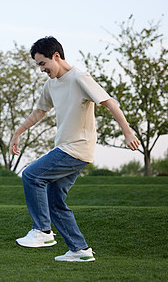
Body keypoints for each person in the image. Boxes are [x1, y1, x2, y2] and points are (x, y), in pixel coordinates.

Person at [9, 36, 140, 262]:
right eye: (38, 65)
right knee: (54, 200)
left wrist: (127, 131)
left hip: (76, 148)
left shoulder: (80, 78)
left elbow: (109, 102)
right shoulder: (51, 84)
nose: (41, 69)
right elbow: (39, 112)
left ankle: (42, 231)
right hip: (68, 149)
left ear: (57, 57)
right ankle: (80, 250)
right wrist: (18, 132)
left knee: (31, 175)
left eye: (43, 63)